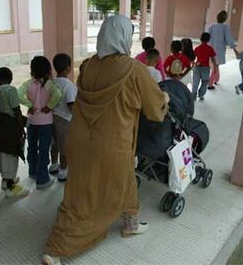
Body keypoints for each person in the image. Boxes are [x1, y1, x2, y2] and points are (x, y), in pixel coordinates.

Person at [42, 15, 169, 265]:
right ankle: (58, 247)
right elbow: (155, 108)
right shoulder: (134, 68)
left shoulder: (88, 65)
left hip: (81, 139)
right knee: (96, 195)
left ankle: (131, 221)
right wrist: (164, 97)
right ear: (123, 37)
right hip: (113, 142)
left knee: (83, 189)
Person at [18, 56, 62, 190]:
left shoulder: (28, 83)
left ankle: (33, 172)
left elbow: (18, 94)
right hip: (46, 122)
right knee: (44, 150)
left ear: (32, 70)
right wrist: (49, 106)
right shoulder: (50, 84)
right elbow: (59, 95)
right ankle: (42, 179)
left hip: (31, 122)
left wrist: (29, 105)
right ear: (48, 69)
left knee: (31, 147)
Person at [0, 67, 29, 198]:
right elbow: (17, 111)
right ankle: (10, 186)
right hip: (10, 127)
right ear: (11, 79)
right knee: (12, 153)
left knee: (2, 153)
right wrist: (21, 128)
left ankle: (6, 180)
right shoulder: (11, 90)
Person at [48, 53, 77, 182]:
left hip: (51, 117)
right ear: (68, 68)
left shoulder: (51, 83)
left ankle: (53, 165)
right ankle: (63, 170)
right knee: (64, 146)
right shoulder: (69, 85)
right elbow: (71, 104)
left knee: (54, 144)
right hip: (65, 119)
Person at [208, 10, 237, 89]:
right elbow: (229, 39)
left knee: (215, 65)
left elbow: (208, 38)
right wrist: (234, 48)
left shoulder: (211, 27)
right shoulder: (225, 28)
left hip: (211, 49)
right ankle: (210, 83)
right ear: (225, 19)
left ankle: (216, 79)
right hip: (219, 51)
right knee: (216, 65)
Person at [193, 33, 217, 100]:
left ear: (201, 39)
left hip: (197, 67)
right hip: (205, 68)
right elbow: (213, 59)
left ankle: (193, 96)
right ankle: (201, 95)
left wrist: (194, 63)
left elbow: (192, 58)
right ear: (208, 39)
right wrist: (215, 67)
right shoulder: (210, 49)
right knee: (205, 82)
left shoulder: (197, 48)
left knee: (195, 82)